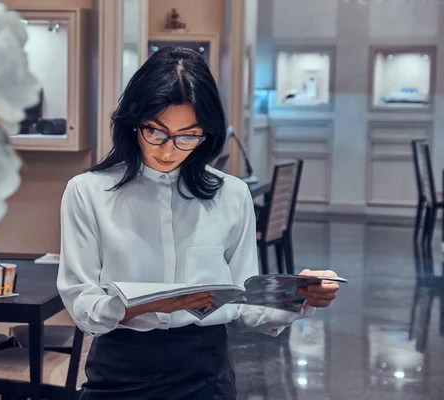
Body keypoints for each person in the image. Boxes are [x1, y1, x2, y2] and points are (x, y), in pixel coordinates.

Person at [57, 46, 339, 400]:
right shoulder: (88, 192)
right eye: (155, 132)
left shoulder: (231, 195)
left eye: (187, 135)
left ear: (206, 133)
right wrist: (146, 305)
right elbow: (83, 305)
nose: (169, 150)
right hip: (121, 372)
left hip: (206, 374)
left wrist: (298, 295)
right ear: (133, 123)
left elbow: (243, 302)